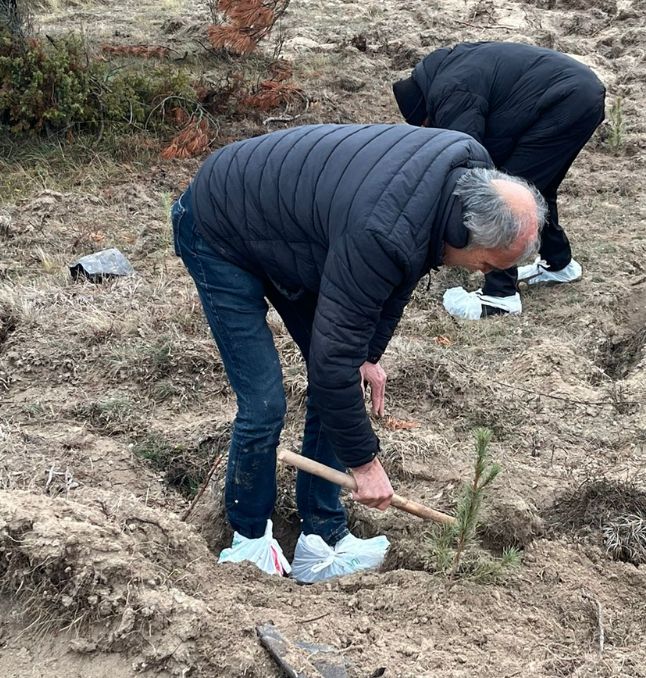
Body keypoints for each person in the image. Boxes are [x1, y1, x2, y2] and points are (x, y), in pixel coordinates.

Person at [171, 123, 545, 580]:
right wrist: (365, 465)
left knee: (347, 372)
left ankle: (322, 537)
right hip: (219, 225)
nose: (481, 275)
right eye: (486, 264)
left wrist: (366, 353)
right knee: (264, 402)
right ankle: (249, 541)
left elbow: (400, 278)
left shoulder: (462, 179)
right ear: (464, 232)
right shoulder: (383, 232)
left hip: (293, 230)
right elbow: (331, 366)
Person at [393, 41, 607, 319]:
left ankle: (500, 295)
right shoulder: (452, 68)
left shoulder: (450, 92)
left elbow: (466, 163)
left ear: (425, 111)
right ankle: (559, 263)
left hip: (564, 101)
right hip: (581, 92)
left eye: (425, 125)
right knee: (537, 187)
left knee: (504, 195)